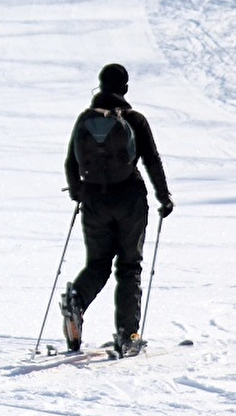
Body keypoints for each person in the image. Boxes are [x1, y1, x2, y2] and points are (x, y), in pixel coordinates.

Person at [60, 62, 173, 357]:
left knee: (98, 264)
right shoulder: (135, 119)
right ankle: (128, 335)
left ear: (99, 86)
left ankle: (76, 301)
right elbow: (152, 159)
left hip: (94, 201)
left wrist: (79, 193)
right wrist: (164, 197)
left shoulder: (85, 119)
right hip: (130, 199)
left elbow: (70, 162)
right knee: (129, 266)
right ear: (125, 88)